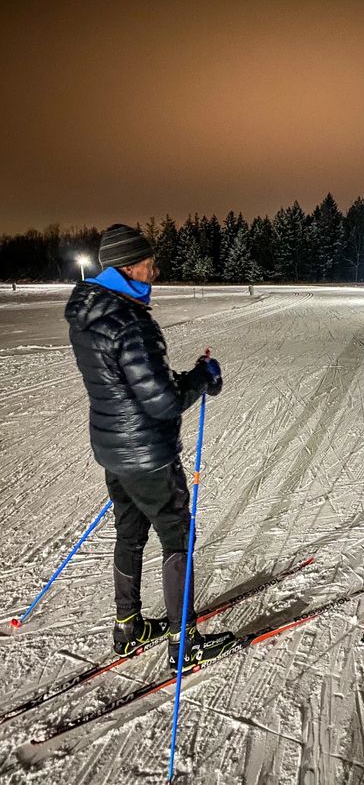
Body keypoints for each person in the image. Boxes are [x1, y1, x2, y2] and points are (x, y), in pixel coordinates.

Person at [65, 223, 237, 670]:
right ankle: (185, 642)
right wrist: (202, 378)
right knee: (176, 535)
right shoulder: (131, 321)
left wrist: (183, 378)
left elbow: (129, 383)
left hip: (113, 449)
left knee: (130, 533)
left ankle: (128, 628)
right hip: (148, 454)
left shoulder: (89, 312)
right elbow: (162, 402)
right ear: (128, 267)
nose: (154, 270)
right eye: (149, 263)